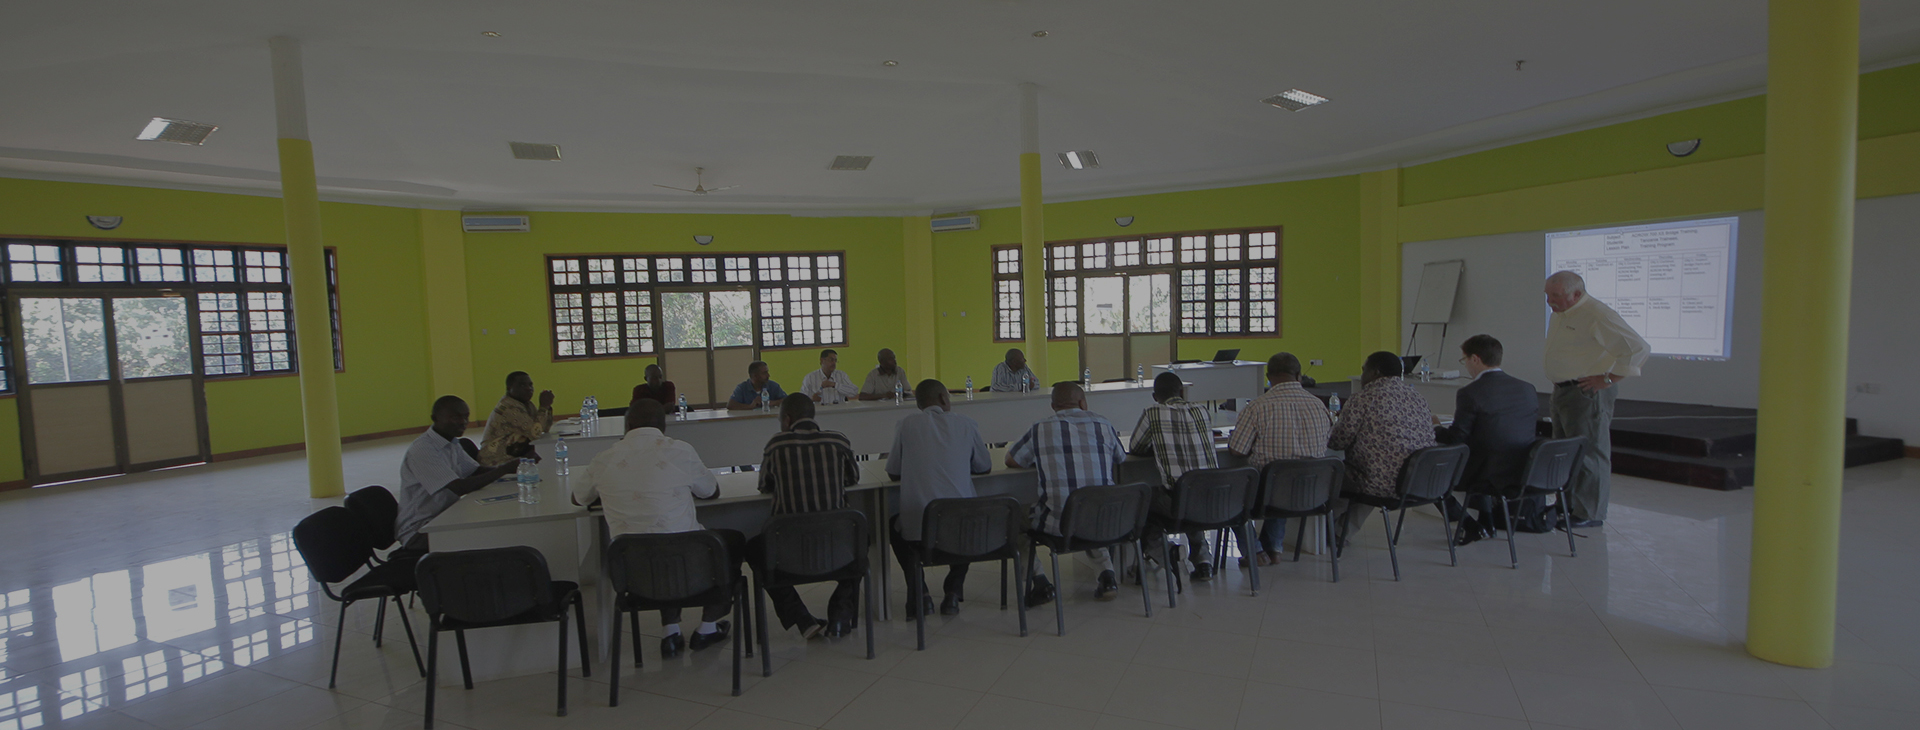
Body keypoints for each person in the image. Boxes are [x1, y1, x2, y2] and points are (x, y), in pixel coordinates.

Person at [569, 400, 736, 657]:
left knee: (652, 547)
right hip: (690, 568)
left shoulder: (604, 459)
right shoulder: (681, 451)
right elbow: (711, 491)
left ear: (627, 426)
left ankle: (670, 632)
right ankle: (708, 627)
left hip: (633, 576)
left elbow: (577, 499)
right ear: (662, 426)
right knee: (729, 542)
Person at [751, 394, 864, 638]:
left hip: (788, 552)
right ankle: (840, 614)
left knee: (754, 550)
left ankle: (802, 619)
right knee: (862, 543)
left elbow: (765, 486)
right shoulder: (838, 441)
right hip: (837, 548)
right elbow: (852, 478)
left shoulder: (776, 444)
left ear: (787, 419)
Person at [1543, 270, 1649, 528]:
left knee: (1590, 454)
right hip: (1563, 391)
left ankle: (1589, 512)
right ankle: (1566, 505)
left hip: (1586, 392)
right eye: (1547, 295)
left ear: (1576, 294)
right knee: (1565, 452)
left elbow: (1638, 348)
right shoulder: (1561, 312)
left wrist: (1609, 379)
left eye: (1555, 296)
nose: (1550, 301)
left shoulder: (1597, 314)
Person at [1006, 383, 1127, 605]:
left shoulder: (1040, 428)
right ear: (1083, 403)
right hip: (1104, 520)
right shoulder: (1103, 423)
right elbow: (1121, 458)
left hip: (1059, 525)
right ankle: (1107, 575)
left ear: (1053, 406)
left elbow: (1011, 460)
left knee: (1014, 519)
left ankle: (1040, 580)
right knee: (1090, 508)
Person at [887, 379, 992, 617]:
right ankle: (953, 591)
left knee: (893, 526)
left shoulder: (906, 425)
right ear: (944, 399)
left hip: (920, 531)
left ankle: (920, 593)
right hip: (962, 529)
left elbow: (893, 471)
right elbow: (983, 466)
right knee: (967, 516)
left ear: (919, 404)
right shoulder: (967, 424)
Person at [1226, 353, 1333, 566]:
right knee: (1284, 478)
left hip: (1270, 493)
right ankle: (1274, 548)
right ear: (1299, 376)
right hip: (1314, 492)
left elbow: (1237, 450)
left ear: (1268, 377)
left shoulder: (1257, 407)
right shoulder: (1319, 406)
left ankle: (1255, 552)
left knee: (1231, 496)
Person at [1435, 335, 1541, 545]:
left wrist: (1435, 428)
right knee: (1486, 452)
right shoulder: (1527, 388)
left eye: (1464, 359)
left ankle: (1471, 526)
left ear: (1475, 359)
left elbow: (1457, 439)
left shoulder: (1470, 393)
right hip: (1525, 467)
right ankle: (1487, 521)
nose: (1465, 365)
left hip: (1489, 471)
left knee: (1433, 475)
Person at [1328, 351, 1438, 541]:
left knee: (1334, 471)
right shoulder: (1417, 397)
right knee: (1371, 469)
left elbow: (1338, 441)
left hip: (1381, 483)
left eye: (1364, 370)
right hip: (1418, 481)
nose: (1362, 375)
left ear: (1375, 373)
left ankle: (1324, 531)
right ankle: (1340, 532)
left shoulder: (1362, 399)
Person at [1130, 372, 1221, 583]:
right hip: (1214, 500)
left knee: (1141, 501)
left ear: (1154, 396)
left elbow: (1135, 447)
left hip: (1179, 503)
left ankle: (1164, 552)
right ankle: (1203, 561)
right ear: (1182, 391)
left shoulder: (1152, 413)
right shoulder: (1202, 410)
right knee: (1190, 498)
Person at [394, 396, 519, 549]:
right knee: (491, 538)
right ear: (435, 418)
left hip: (447, 515)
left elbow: (475, 471)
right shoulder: (423, 449)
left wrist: (514, 472)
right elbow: (459, 488)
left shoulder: (451, 442)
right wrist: (504, 469)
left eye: (466, 417)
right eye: (455, 417)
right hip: (421, 529)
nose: (463, 422)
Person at [476, 371, 554, 466]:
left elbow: (544, 428)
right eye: (522, 385)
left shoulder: (526, 404)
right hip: (495, 459)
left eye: (530, 385)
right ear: (509, 388)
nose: (528, 389)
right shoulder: (509, 407)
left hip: (512, 454)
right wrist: (543, 406)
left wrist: (547, 407)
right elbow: (535, 433)